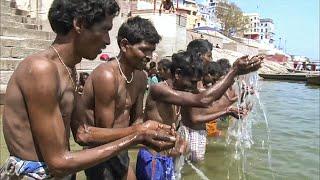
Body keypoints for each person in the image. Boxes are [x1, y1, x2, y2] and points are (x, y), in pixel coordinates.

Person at [0, 1, 175, 179]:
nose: (107, 40)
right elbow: (58, 162)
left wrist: (144, 131)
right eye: (105, 29)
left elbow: (83, 134)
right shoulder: (41, 69)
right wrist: (137, 136)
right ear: (79, 24)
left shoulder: (68, 70)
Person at [73, 16, 182, 180]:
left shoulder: (141, 77)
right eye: (144, 50)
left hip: (122, 148)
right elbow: (105, 131)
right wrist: (142, 133)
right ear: (124, 45)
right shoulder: (107, 76)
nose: (149, 56)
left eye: (151, 51)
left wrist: (158, 133)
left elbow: (137, 120)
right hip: (99, 153)